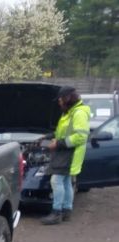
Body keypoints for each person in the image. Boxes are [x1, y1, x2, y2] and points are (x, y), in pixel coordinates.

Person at [41, 86, 91, 225]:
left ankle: (57, 213)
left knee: (56, 181)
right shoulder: (69, 112)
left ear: (68, 98)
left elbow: (81, 136)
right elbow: (62, 133)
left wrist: (58, 144)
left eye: (60, 99)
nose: (59, 102)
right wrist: (48, 136)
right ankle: (66, 211)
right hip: (65, 151)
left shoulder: (78, 113)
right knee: (66, 181)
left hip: (68, 152)